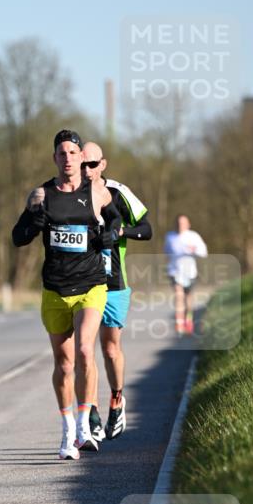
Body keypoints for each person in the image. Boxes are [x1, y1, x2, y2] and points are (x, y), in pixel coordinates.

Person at [12, 129, 121, 460]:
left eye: (73, 153)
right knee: (64, 362)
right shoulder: (41, 195)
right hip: (55, 289)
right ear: (55, 158)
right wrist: (35, 222)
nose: (69, 159)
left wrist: (110, 236)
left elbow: (116, 220)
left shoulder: (97, 191)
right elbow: (18, 237)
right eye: (62, 154)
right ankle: (67, 429)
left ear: (80, 157)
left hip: (91, 284)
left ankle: (86, 424)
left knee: (86, 350)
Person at [81, 142, 152, 442]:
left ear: (103, 165)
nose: (87, 170)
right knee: (84, 350)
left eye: (92, 164)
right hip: (81, 282)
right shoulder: (68, 194)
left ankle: (116, 400)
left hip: (113, 282)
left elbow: (147, 229)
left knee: (110, 349)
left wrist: (123, 232)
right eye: (83, 164)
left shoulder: (118, 193)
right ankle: (91, 414)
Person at [163, 215, 208, 334]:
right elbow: (166, 252)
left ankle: (188, 319)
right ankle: (179, 322)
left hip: (190, 272)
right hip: (174, 271)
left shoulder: (193, 236)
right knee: (179, 295)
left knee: (188, 297)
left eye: (183, 223)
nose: (180, 225)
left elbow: (204, 252)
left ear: (188, 224)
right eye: (178, 223)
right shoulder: (170, 236)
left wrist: (194, 250)